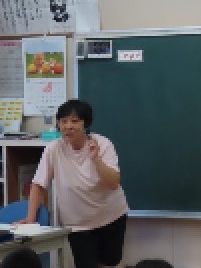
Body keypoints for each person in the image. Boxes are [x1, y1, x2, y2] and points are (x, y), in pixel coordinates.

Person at [18, 99, 129, 268]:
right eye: (63, 121)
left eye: (74, 121)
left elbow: (113, 183)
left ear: (86, 124)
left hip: (110, 217)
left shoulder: (103, 144)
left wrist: (96, 159)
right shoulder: (53, 149)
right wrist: (30, 218)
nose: (68, 126)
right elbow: (38, 184)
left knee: (110, 263)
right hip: (78, 224)